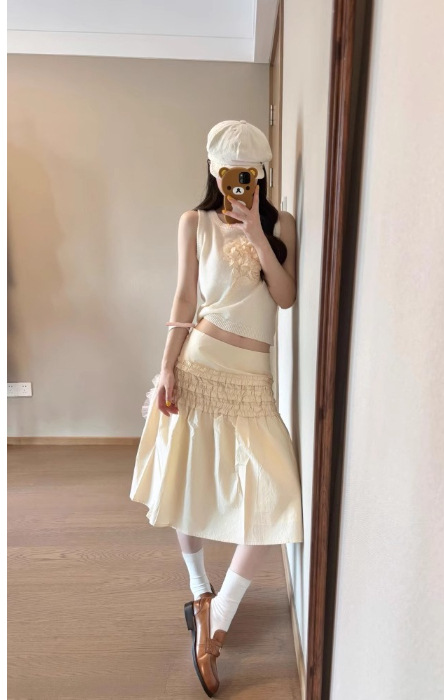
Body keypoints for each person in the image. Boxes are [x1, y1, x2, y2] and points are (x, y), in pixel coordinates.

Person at [130, 119, 304, 696]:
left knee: (278, 491)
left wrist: (258, 234)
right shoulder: (195, 222)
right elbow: (185, 298)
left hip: (252, 376)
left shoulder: (281, 225)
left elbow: (285, 297)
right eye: (230, 170)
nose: (239, 181)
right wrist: (166, 368)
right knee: (188, 480)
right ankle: (201, 590)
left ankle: (219, 616)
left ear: (261, 173)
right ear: (214, 170)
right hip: (200, 364)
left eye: (249, 171)